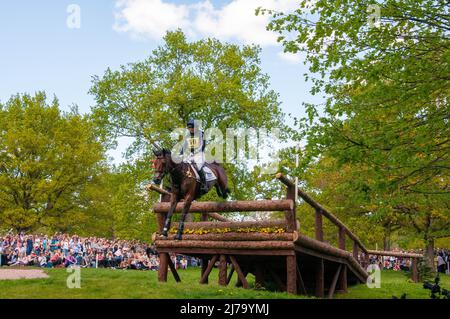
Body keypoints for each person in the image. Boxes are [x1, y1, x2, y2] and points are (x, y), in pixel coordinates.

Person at [180, 119, 208, 194]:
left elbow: (203, 145)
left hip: (199, 154)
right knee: (182, 164)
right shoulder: (187, 136)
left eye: (192, 128)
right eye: (189, 128)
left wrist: (196, 152)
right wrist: (180, 154)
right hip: (191, 154)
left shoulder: (201, 134)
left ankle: (204, 185)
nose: (190, 129)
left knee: (198, 167)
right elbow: (184, 146)